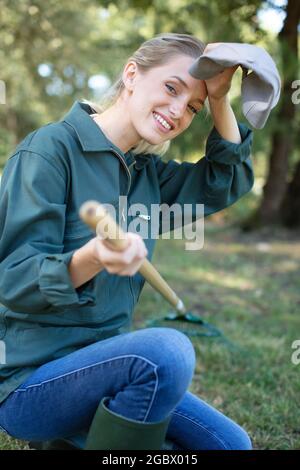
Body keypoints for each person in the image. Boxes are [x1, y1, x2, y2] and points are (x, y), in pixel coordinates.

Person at [0, 33, 254, 450]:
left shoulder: (148, 175)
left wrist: (220, 100)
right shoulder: (49, 150)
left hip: (111, 368)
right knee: (167, 351)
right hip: (29, 381)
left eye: (192, 107)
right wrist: (94, 256)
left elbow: (222, 182)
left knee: (230, 445)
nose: (177, 112)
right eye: (172, 88)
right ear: (132, 74)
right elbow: (13, 280)